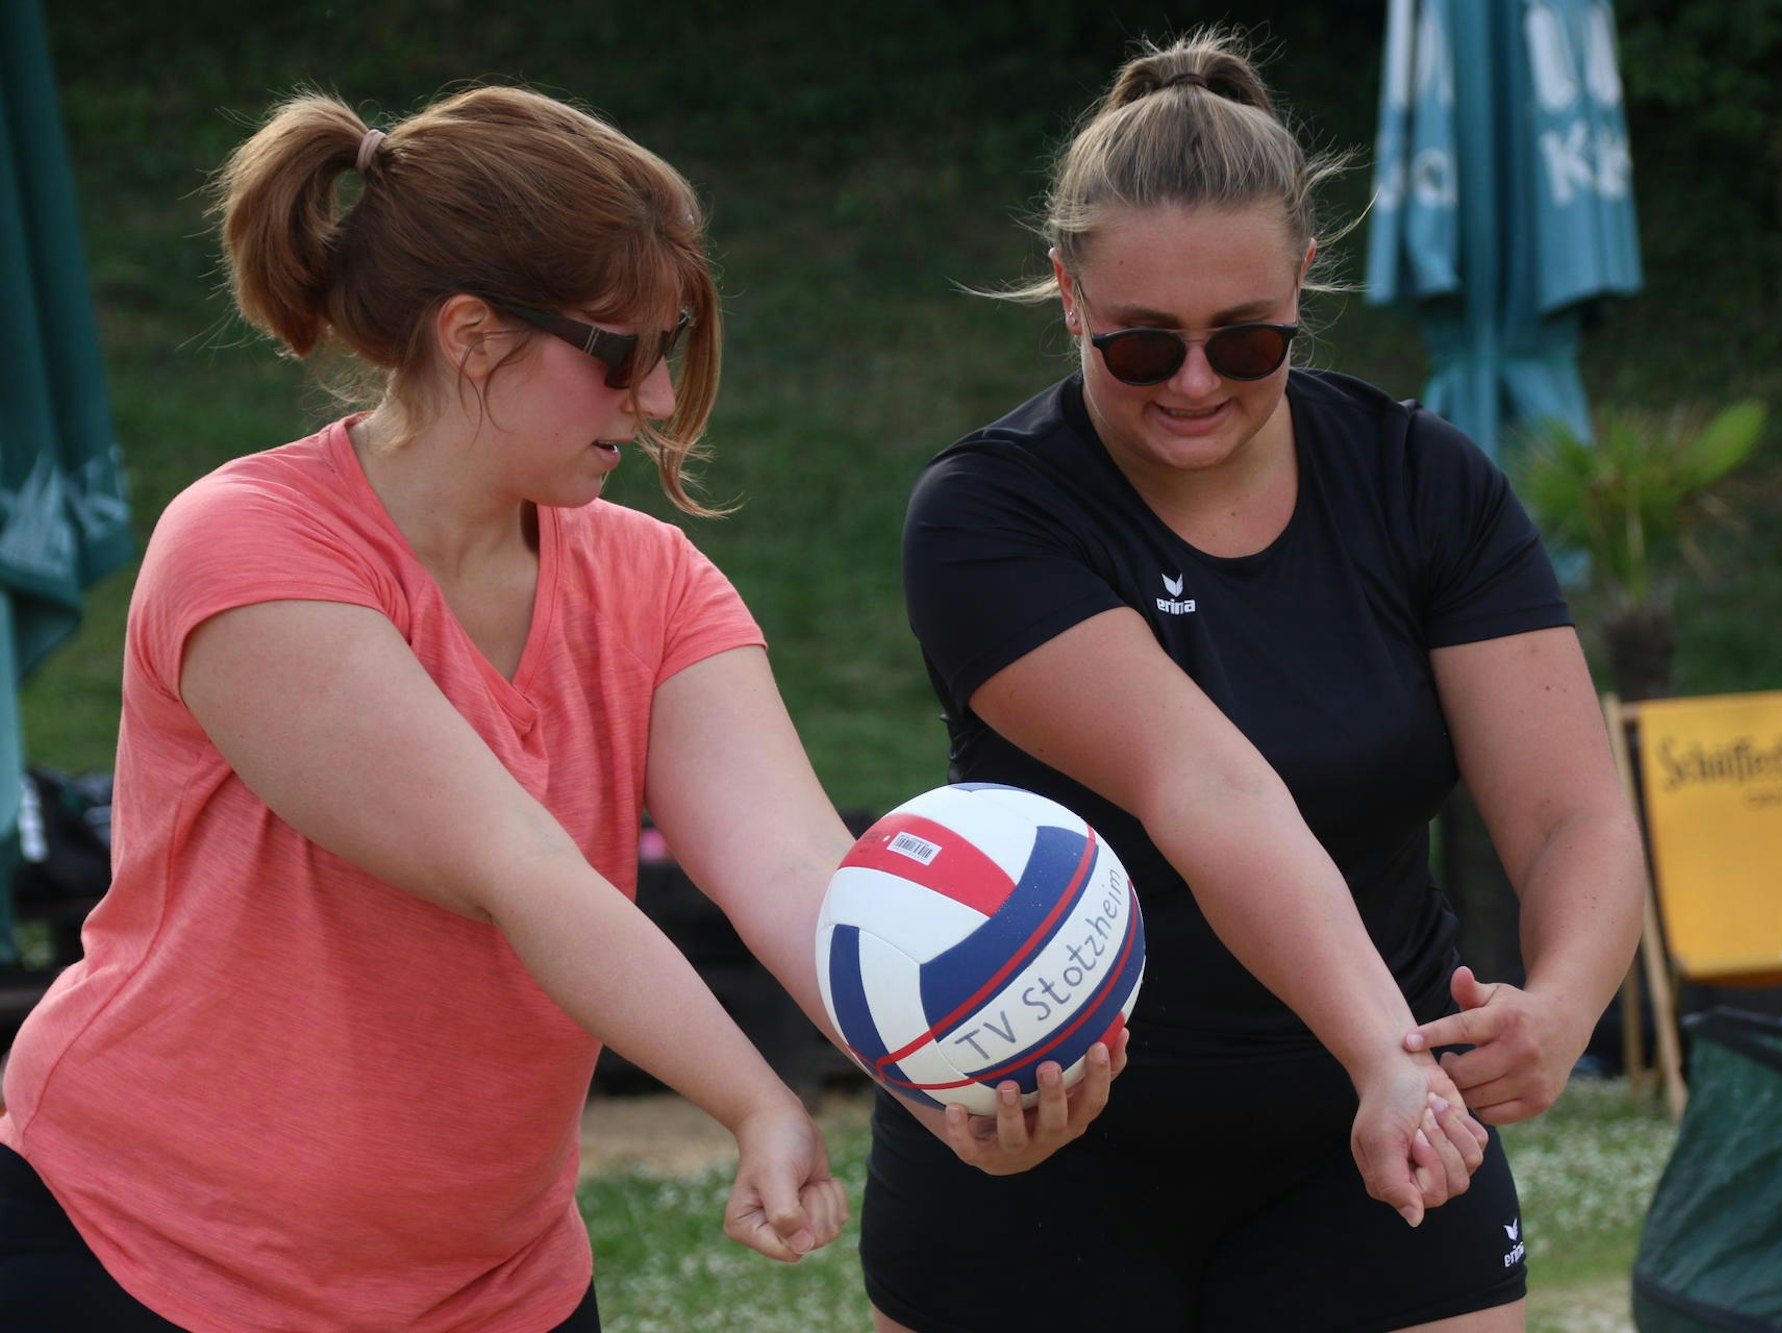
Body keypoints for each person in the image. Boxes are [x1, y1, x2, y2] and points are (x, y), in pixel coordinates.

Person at [0, 84, 880, 1332]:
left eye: (670, 347)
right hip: (142, 1253)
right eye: (623, 353)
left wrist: (945, 1053)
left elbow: (797, 872)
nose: (654, 399)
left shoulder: (655, 580)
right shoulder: (247, 545)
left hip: (493, 1283)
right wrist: (755, 1097)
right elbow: (520, 870)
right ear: (471, 334)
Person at [873, 29, 1647, 1333]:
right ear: (1067, 293)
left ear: (1301, 279)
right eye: (1140, 346)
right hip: (1044, 1128)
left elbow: (1576, 814)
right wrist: (1382, 1054)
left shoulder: (1421, 481)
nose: (1193, 383)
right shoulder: (986, 515)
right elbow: (1210, 787)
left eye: (1244, 343)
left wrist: (1561, 1005)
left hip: (1376, 1114)